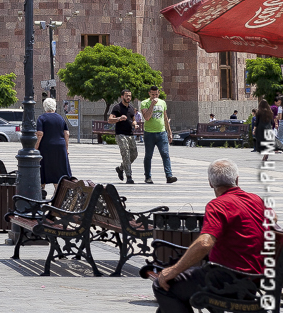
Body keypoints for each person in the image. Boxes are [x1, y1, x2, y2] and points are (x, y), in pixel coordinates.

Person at [153, 159, 266, 312]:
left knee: (162, 286)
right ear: (237, 179)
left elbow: (205, 243)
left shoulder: (217, 205)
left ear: (210, 183)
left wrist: (173, 270)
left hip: (227, 279)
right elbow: (274, 221)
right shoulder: (256, 200)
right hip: (256, 278)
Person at [141, 85, 178, 184]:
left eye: (156, 94)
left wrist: (169, 132)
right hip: (149, 133)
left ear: (159, 93)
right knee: (148, 155)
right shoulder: (144, 103)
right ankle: (148, 177)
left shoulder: (163, 102)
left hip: (162, 133)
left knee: (165, 154)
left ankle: (169, 176)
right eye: (152, 94)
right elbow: (147, 117)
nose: (154, 96)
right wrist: (152, 104)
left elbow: (165, 118)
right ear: (149, 93)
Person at [36, 98, 71, 188]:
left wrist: (35, 148)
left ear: (44, 107)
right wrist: (66, 148)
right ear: (54, 107)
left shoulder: (42, 118)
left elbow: (40, 134)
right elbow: (66, 134)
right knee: (59, 170)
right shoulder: (60, 118)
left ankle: (41, 189)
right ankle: (58, 191)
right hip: (60, 147)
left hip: (46, 147)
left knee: (43, 168)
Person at [109, 88, 138, 184]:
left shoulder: (131, 108)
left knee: (134, 154)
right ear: (122, 96)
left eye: (130, 95)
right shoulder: (117, 107)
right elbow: (110, 120)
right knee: (125, 153)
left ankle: (120, 168)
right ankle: (129, 176)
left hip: (130, 134)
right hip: (120, 134)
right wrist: (119, 118)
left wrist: (135, 124)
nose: (128, 97)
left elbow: (133, 119)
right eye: (126, 95)